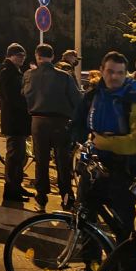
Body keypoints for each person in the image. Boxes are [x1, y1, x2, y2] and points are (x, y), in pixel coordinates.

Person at [68, 51, 136, 271]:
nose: (114, 77)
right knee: (86, 218)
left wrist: (104, 142)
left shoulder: (134, 99)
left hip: (122, 173)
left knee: (123, 229)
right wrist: (73, 143)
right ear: (102, 71)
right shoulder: (93, 96)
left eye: (119, 73)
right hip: (93, 168)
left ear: (126, 74)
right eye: (110, 71)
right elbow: (78, 124)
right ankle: (94, 268)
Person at [22, 44, 82, 212]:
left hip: (38, 121)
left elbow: (25, 95)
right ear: (53, 57)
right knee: (62, 160)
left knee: (41, 160)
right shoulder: (64, 76)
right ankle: (67, 196)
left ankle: (41, 198)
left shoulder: (29, 75)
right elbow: (77, 99)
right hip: (60, 122)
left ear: (36, 56)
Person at [0, 43, 32, 203]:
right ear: (10, 56)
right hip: (14, 119)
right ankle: (11, 189)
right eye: (19, 55)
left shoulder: (15, 72)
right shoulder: (7, 72)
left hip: (18, 119)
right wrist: (27, 104)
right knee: (14, 155)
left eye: (23, 56)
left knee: (19, 155)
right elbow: (12, 97)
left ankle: (16, 185)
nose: (22, 58)